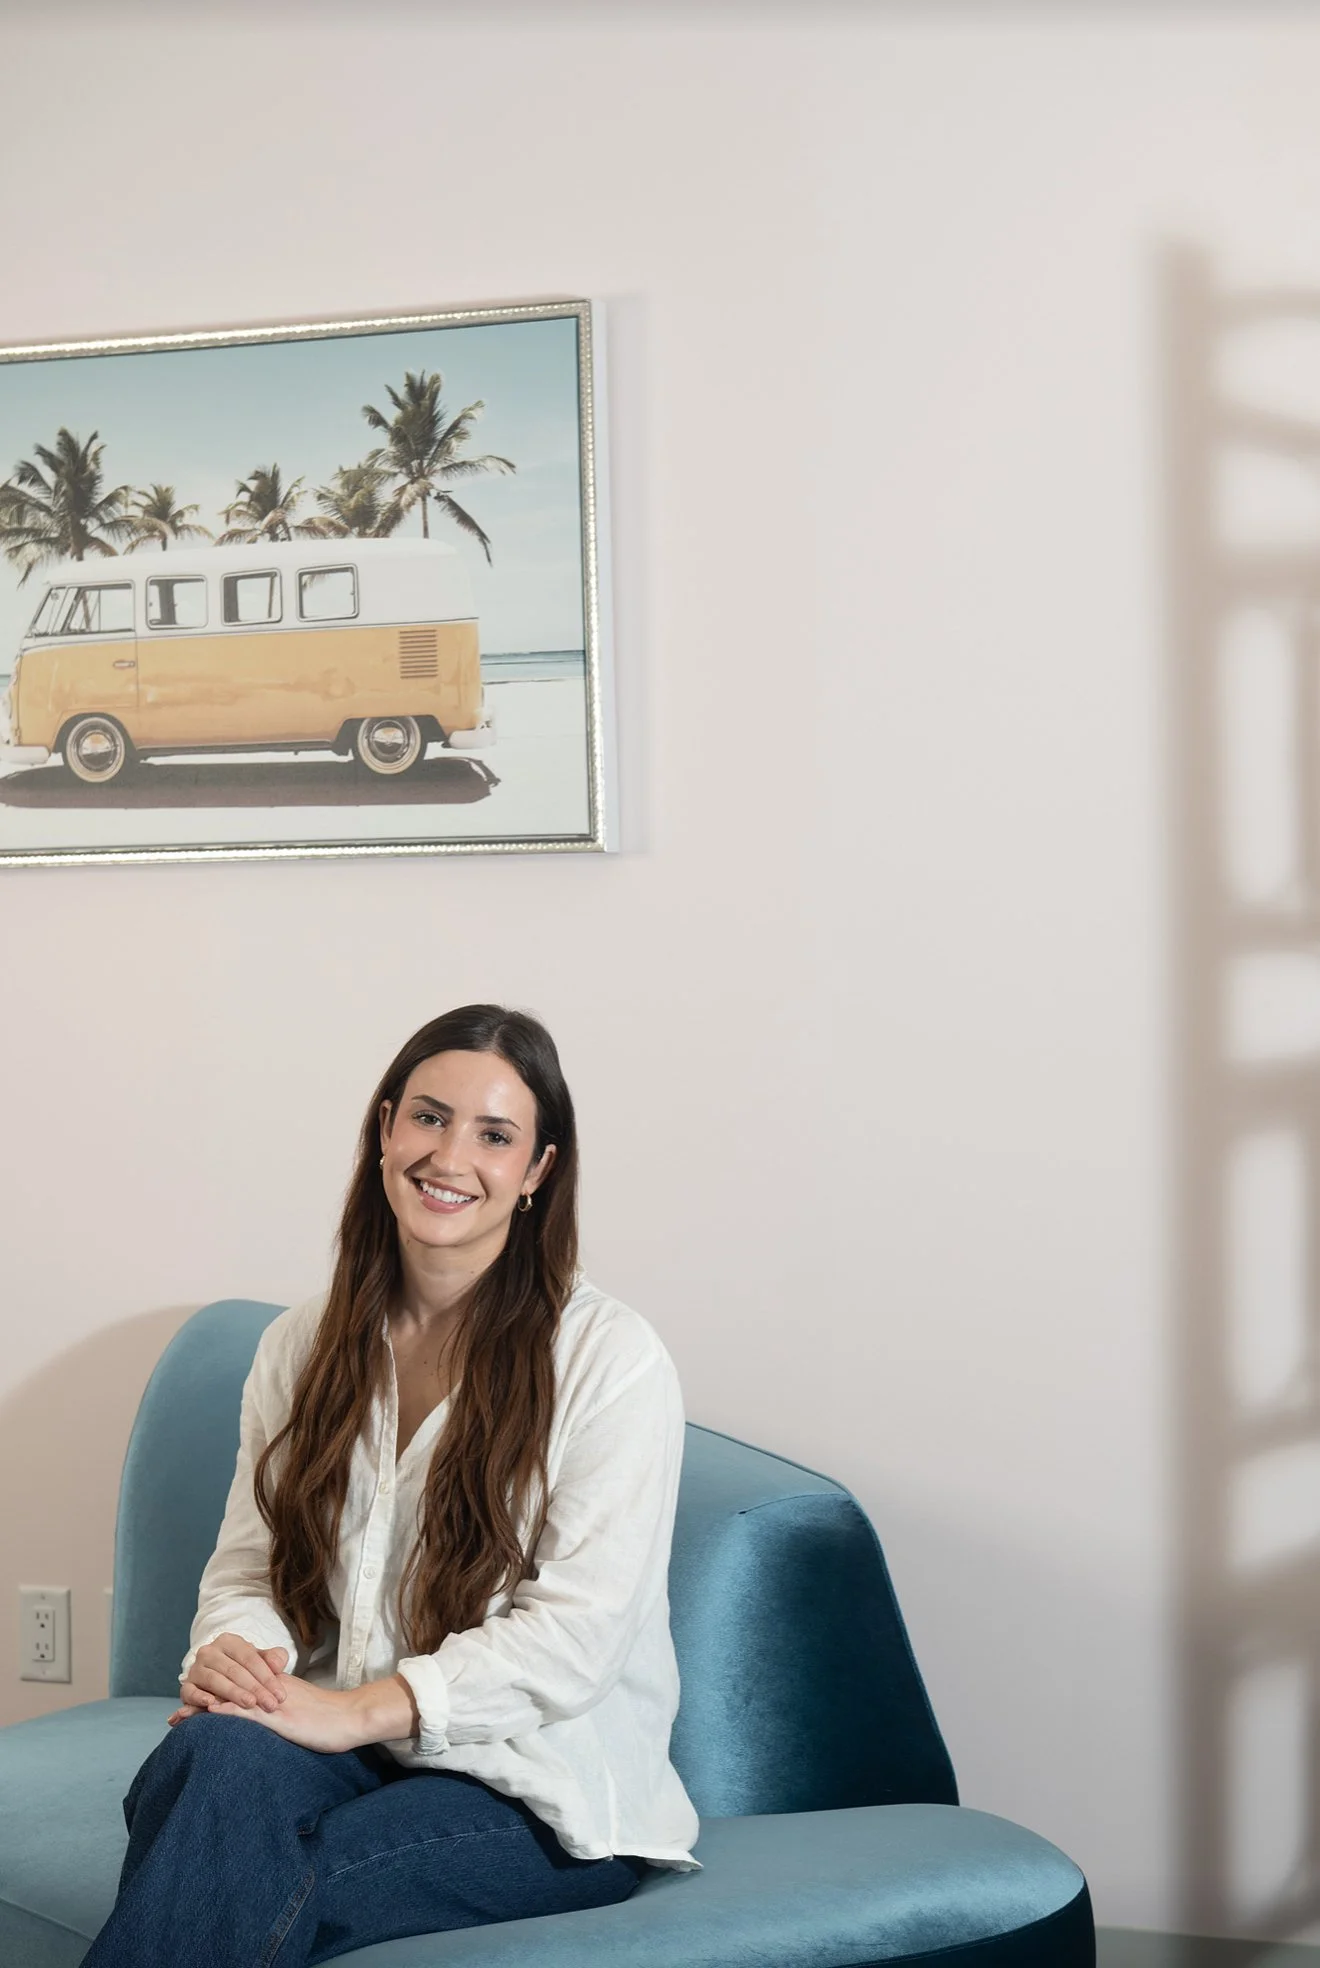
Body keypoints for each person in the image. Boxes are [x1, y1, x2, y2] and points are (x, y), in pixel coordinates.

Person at [84, 1004, 700, 1967]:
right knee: (212, 1753)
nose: (451, 1156)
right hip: (339, 1751)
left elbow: (577, 1637)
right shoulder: (302, 1341)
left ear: (537, 1172)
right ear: (383, 1131)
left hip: (532, 1791)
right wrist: (244, 1665)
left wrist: (353, 1711)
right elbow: (250, 1567)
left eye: (495, 1135)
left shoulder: (609, 1359)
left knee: (223, 1875)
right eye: (429, 1117)